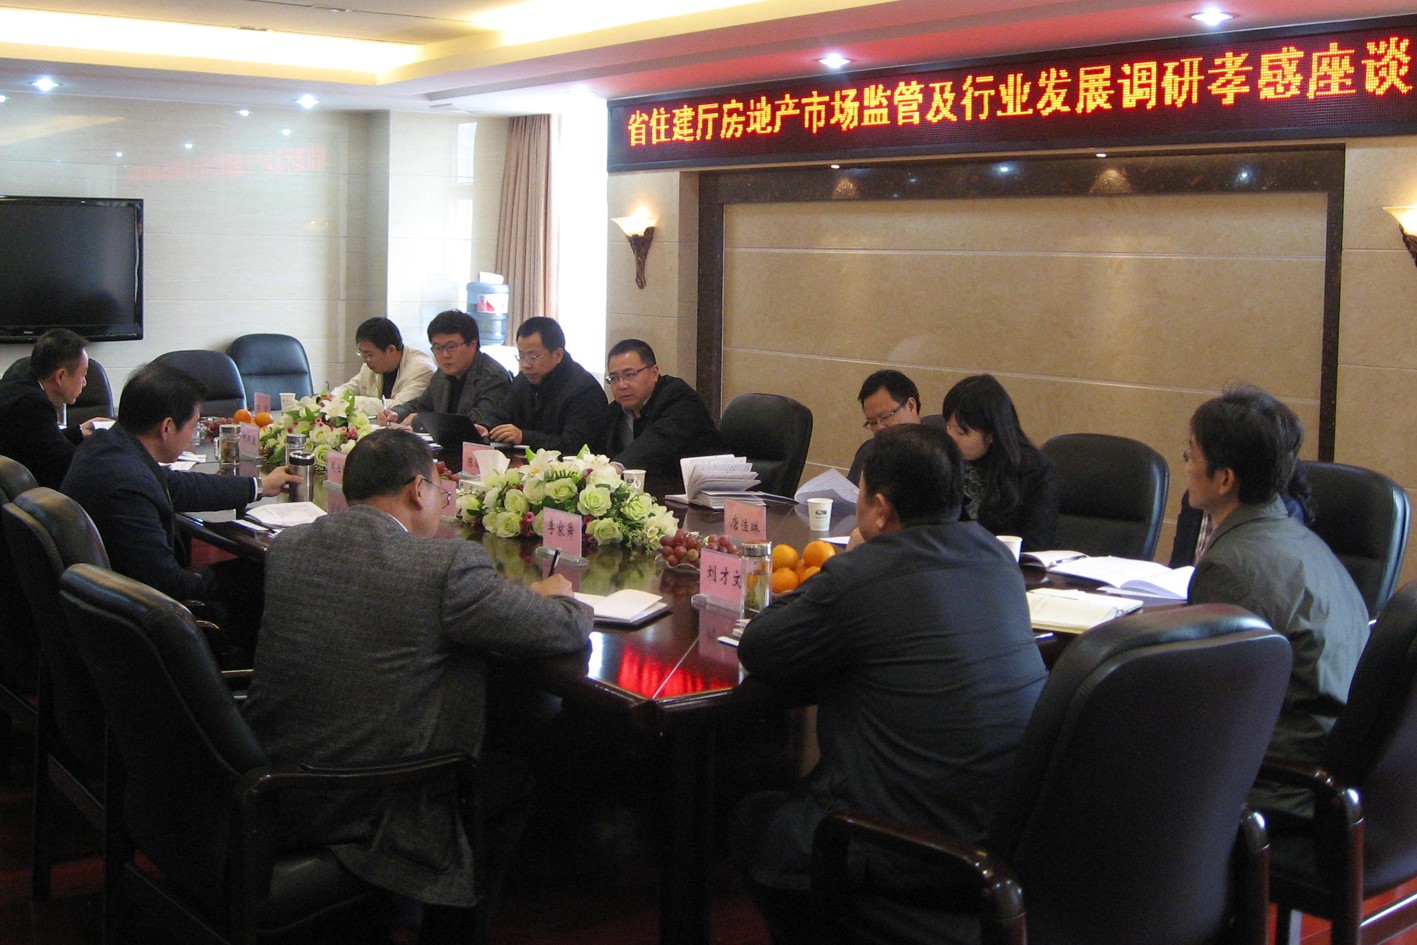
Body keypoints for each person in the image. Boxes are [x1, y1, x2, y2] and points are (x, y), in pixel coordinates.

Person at [242, 428, 593, 936]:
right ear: (417, 490)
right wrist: (558, 596)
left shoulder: (291, 545)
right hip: (365, 802)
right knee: (509, 773)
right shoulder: (443, 566)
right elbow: (559, 629)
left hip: (268, 779)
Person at [733, 424, 1047, 944]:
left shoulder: (863, 572)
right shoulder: (996, 557)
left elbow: (760, 645)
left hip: (910, 845)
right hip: (1009, 840)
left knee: (756, 820)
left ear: (880, 509)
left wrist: (850, 559)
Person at [1184, 385, 1368, 819]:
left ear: (1225, 479)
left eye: (1190, 455)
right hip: (1330, 777)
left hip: (1277, 788)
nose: (1186, 466)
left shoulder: (1228, 568)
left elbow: (1209, 711)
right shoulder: (1306, 543)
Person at [61, 362, 299, 628]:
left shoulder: (107, 446)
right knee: (261, 573)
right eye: (194, 425)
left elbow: (177, 485)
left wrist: (260, 486)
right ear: (167, 427)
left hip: (108, 597)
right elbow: (165, 583)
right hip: (138, 620)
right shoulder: (128, 486)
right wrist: (227, 582)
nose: (193, 434)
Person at [941, 373, 1059, 552]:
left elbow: (1037, 547)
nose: (950, 438)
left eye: (961, 432)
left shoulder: (1035, 472)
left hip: (1007, 565)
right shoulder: (943, 459)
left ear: (991, 434)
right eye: (948, 427)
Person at [475, 316, 607, 455]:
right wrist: (486, 427)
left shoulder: (584, 390)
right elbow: (502, 413)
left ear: (558, 355)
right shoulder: (524, 380)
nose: (525, 364)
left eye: (533, 357)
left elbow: (573, 446)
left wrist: (524, 437)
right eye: (521, 356)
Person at [0, 329, 109, 488]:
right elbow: (67, 463)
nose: (85, 383)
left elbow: (42, 443)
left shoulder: (16, 383)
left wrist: (79, 432)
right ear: (60, 376)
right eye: (83, 375)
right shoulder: (33, 405)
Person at [601, 338, 724, 478]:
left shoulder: (679, 397)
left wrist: (614, 469)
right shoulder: (614, 412)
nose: (621, 385)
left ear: (654, 373)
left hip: (705, 486)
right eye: (614, 378)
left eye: (630, 374)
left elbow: (657, 441)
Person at [379, 310, 511, 428]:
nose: (444, 355)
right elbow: (421, 404)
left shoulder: (493, 377)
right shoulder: (442, 374)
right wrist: (396, 413)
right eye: (437, 348)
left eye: (451, 347)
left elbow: (475, 424)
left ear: (472, 344)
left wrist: (418, 421)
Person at [330, 316, 436, 417]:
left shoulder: (421, 368)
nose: (365, 360)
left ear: (391, 349)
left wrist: (348, 401)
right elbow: (348, 388)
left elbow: (400, 408)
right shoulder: (370, 365)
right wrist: (332, 398)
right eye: (362, 354)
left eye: (370, 355)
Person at [846, 368, 934, 484]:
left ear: (911, 406)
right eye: (872, 422)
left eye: (885, 417)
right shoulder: (868, 452)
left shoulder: (940, 454)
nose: (879, 428)